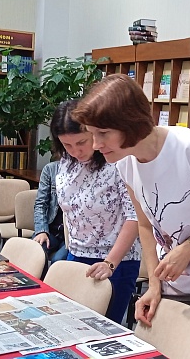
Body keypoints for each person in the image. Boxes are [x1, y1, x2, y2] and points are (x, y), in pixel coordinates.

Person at [73, 74, 190, 357]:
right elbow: (145, 225)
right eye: (92, 134)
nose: (96, 144)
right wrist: (155, 285)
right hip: (176, 285)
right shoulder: (125, 163)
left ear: (129, 123)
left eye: (103, 134)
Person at [49, 99, 141, 324]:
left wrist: (110, 263)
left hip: (114, 262)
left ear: (94, 132)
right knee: (70, 325)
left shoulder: (118, 161)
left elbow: (135, 216)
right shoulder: (67, 161)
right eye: (67, 146)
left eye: (81, 142)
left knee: (101, 331)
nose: (76, 151)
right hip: (77, 254)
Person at [32, 160, 69, 265]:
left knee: (58, 261)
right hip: (51, 229)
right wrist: (41, 231)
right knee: (34, 252)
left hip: (71, 235)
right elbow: (40, 204)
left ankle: (51, 281)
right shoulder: (50, 169)